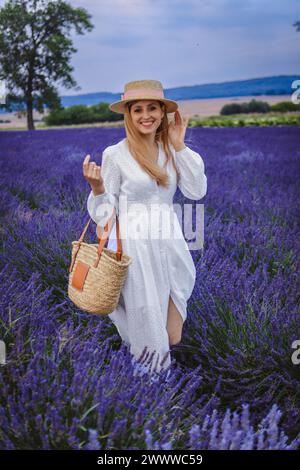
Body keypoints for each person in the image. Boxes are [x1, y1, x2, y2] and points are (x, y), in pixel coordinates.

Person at [82, 79, 207, 378]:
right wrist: (98, 187)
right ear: (129, 114)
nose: (145, 115)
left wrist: (179, 145)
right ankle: (154, 398)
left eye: (152, 108)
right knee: (147, 326)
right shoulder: (116, 154)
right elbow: (104, 215)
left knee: (172, 333)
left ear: (163, 112)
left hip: (170, 243)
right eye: (137, 109)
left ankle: (147, 380)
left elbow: (196, 191)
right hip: (135, 247)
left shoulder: (169, 149)